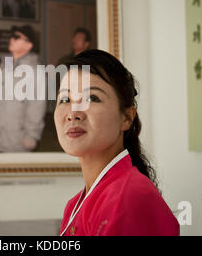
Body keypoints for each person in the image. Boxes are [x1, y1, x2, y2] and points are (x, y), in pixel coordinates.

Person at [55, 49, 180, 236]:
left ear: (127, 118)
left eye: (92, 98)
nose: (73, 113)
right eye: (65, 99)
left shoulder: (128, 197)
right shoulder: (75, 205)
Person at [0, 25, 47, 153]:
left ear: (29, 45)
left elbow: (37, 106)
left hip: (16, 132)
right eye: (12, 36)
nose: (11, 39)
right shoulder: (4, 64)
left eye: (17, 37)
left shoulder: (36, 71)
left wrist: (32, 135)